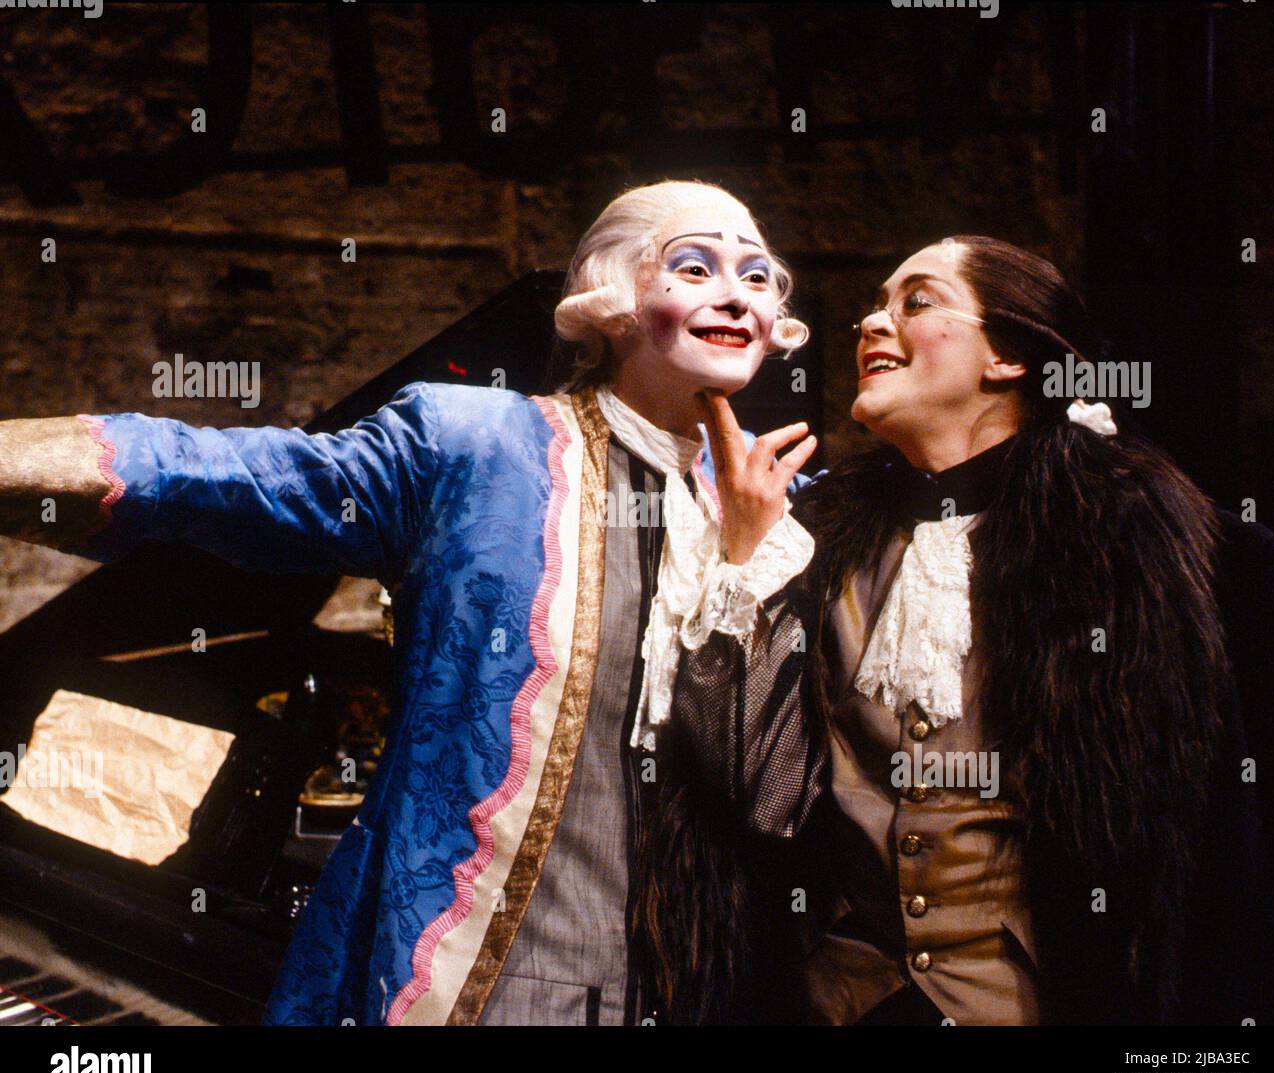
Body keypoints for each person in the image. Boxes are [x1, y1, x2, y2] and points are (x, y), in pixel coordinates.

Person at [0, 179, 819, 1026]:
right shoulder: (475, 446)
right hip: (465, 976)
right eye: (695, 267)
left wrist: (746, 563)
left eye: (758, 278)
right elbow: (233, 478)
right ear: (614, 299)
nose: (735, 295)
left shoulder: (786, 507)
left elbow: (772, 801)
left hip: (689, 990)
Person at [640, 235, 1274, 1025]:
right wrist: (747, 561)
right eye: (876, 305)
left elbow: (1246, 862)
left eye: (915, 302)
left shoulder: (1180, 558)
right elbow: (756, 796)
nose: (871, 324)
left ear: (1009, 358)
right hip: (846, 1002)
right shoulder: (811, 542)